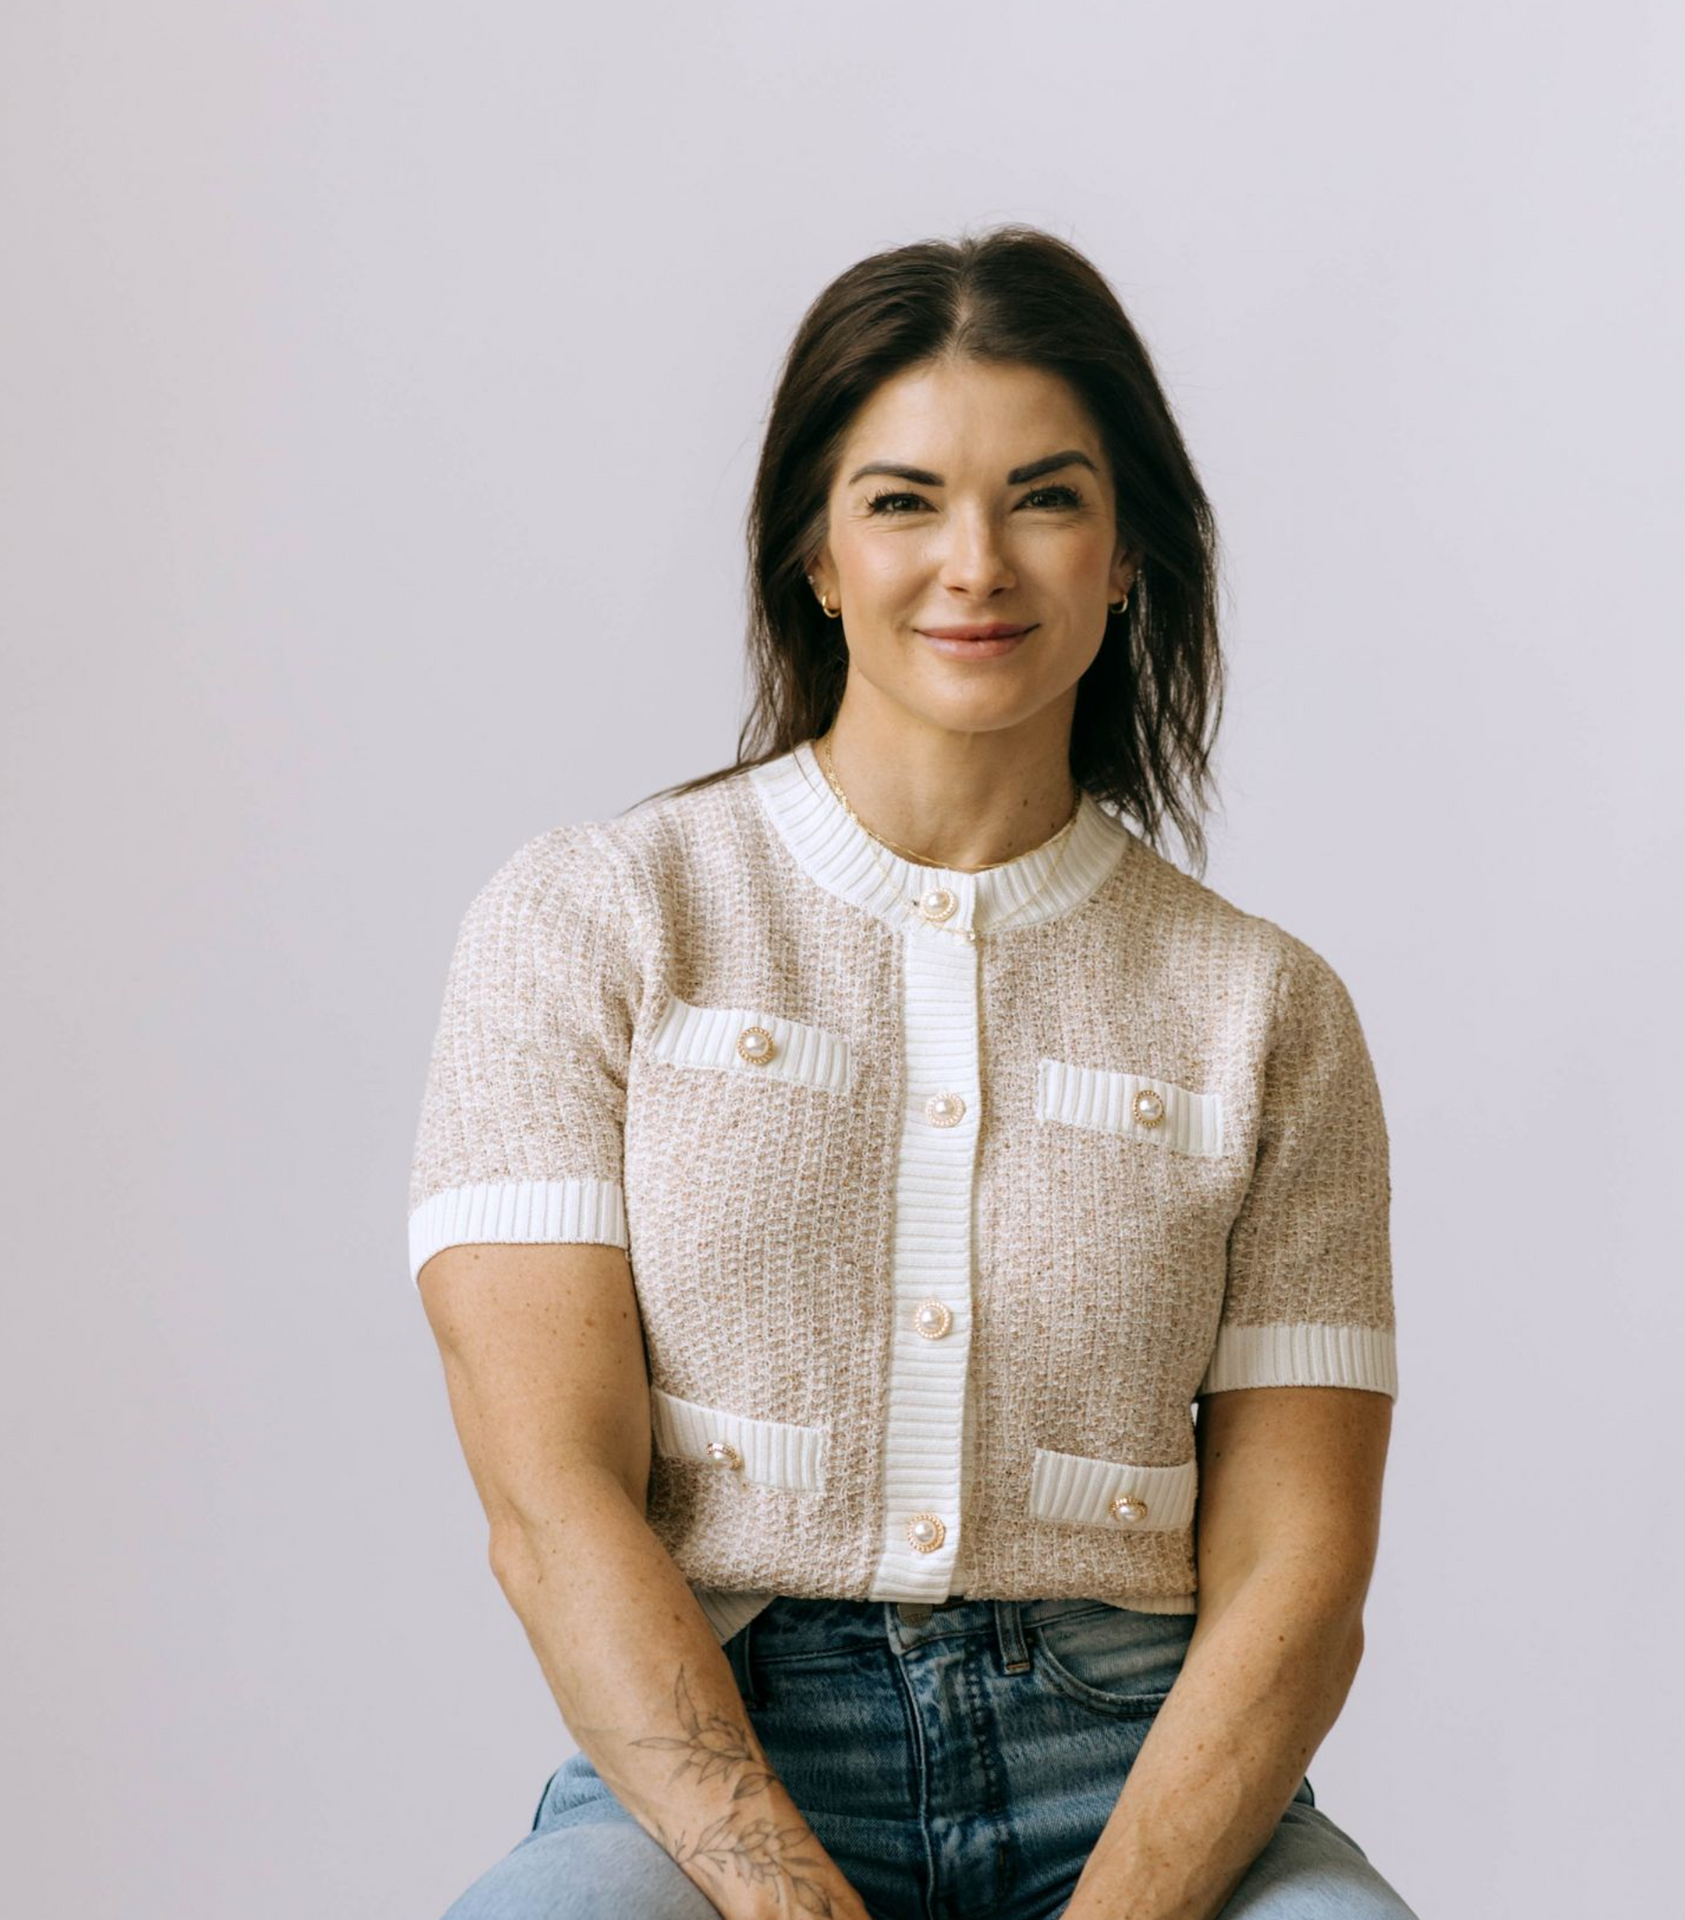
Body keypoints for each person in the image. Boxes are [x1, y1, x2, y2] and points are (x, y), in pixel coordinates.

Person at [408, 223, 1418, 1920]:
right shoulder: (591, 919)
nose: (976, 564)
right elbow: (549, 1497)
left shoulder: (1267, 1008)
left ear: (1126, 557)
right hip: (712, 1756)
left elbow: (1298, 1573)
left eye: (1044, 496)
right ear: (811, 552)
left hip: (1143, 1769)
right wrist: (787, 1900)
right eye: (901, 500)